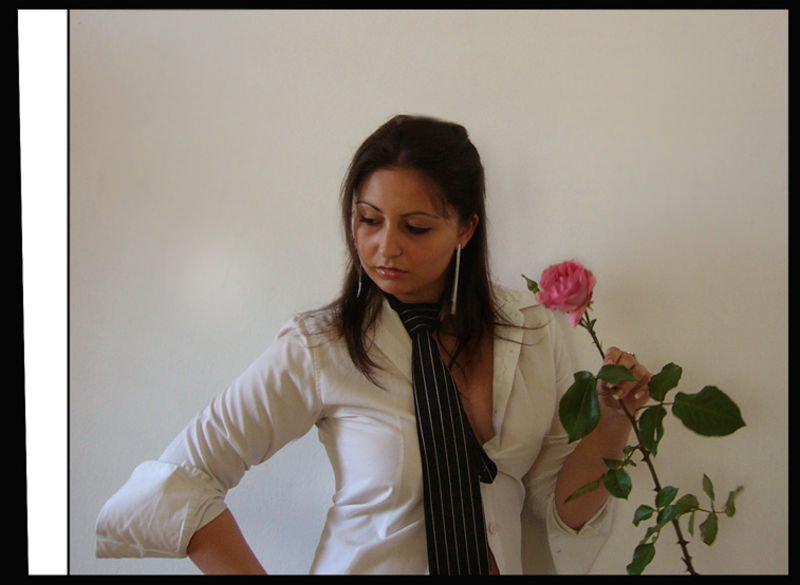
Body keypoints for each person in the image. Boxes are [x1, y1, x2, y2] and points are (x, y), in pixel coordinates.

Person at [95, 114, 652, 575]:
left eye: (415, 227)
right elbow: (179, 480)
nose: (386, 247)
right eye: (368, 220)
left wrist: (612, 423)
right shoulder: (320, 346)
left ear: (465, 229)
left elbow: (560, 508)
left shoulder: (527, 329)